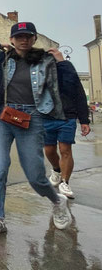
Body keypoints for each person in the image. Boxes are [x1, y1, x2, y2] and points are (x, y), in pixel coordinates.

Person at [0, 22, 72, 237]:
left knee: (35, 176)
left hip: (32, 118)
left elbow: (68, 84)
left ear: (34, 39)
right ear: (12, 40)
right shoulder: (0, 58)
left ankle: (57, 200)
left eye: (28, 36)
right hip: (3, 117)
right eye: (19, 36)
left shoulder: (45, 61)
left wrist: (62, 63)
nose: (24, 40)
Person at [43, 48, 91, 199]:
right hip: (47, 116)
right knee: (49, 150)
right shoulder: (40, 73)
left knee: (65, 150)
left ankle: (65, 182)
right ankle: (56, 169)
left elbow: (79, 94)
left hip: (67, 116)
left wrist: (84, 120)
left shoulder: (67, 70)